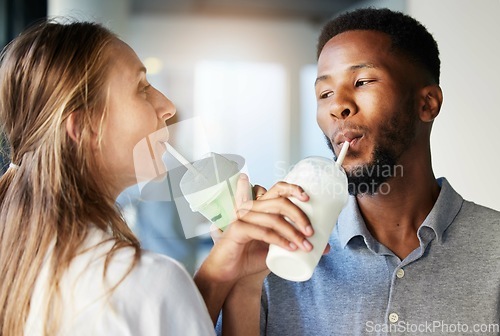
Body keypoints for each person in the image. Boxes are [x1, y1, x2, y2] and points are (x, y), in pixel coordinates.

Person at [0, 19, 314, 335]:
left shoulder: (19, 266)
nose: (167, 106)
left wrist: (230, 276)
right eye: (142, 88)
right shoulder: (146, 283)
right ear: (83, 128)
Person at [209, 7, 500, 335]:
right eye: (325, 93)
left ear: (427, 103)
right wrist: (246, 286)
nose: (337, 106)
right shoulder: (274, 256)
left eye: (361, 81)